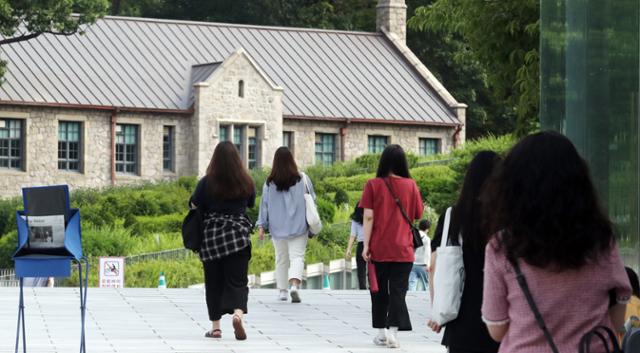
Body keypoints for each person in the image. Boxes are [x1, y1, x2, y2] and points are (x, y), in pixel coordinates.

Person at [481, 131, 631, 352]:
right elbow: (618, 319)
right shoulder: (601, 240)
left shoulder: (502, 246)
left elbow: (496, 330)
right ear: (579, 183)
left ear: (514, 186)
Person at [427, 151, 501, 353]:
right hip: (500, 318)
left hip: (461, 316)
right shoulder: (507, 216)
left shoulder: (453, 215)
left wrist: (438, 310)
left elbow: (434, 264)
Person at [190, 141, 256, 341]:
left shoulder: (207, 181)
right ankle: (237, 314)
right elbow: (251, 203)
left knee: (214, 283)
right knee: (238, 281)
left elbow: (193, 203)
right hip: (238, 238)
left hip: (212, 240)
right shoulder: (246, 181)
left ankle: (216, 328)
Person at [361, 144, 424, 349]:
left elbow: (368, 217)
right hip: (403, 249)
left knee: (378, 291)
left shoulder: (372, 184)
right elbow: (418, 214)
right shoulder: (411, 185)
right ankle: (393, 334)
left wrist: (366, 245)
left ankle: (380, 333)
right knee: (398, 292)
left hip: (379, 248)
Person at [257, 147, 315, 303]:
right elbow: (312, 200)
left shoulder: (269, 183)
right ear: (292, 160)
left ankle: (282, 291)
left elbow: (264, 205)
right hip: (299, 226)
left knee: (281, 258)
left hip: (278, 228)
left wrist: (261, 226)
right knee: (297, 257)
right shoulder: (303, 179)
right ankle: (294, 286)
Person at [346, 202, 366, 290]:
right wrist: (348, 249)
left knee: (370, 269)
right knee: (361, 269)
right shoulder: (355, 220)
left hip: (369, 244)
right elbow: (352, 235)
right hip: (362, 244)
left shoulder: (371, 217)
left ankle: (371, 288)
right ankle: (363, 288)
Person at [408, 219, 430, 291]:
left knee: (411, 283)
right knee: (425, 284)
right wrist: (428, 264)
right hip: (423, 265)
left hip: (412, 264)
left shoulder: (413, 236)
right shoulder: (427, 239)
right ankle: (425, 300)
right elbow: (427, 252)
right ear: (427, 229)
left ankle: (411, 299)